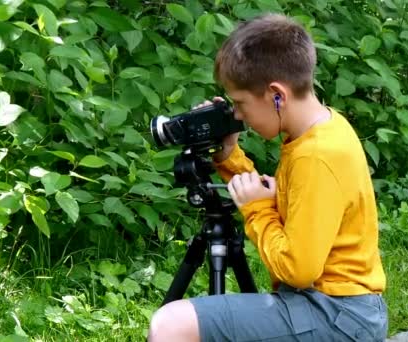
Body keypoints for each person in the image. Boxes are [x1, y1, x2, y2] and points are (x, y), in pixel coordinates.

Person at [147, 13, 388, 342]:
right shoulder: (322, 130)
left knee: (171, 325)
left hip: (337, 315)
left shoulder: (315, 156)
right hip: (343, 310)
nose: (238, 115)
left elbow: (298, 270)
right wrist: (227, 155)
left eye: (241, 102)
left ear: (277, 94)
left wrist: (256, 209)